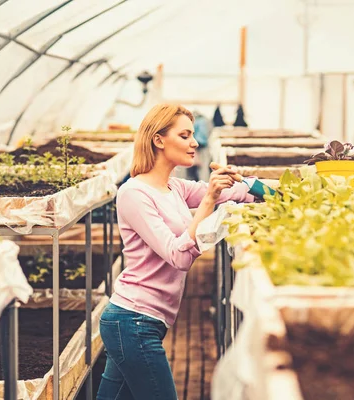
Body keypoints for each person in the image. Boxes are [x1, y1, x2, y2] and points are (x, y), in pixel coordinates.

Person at [97, 104, 255, 400]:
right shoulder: (134, 193)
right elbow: (179, 257)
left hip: (143, 323)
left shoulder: (174, 187)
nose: (195, 142)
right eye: (184, 135)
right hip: (133, 321)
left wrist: (265, 188)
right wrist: (207, 203)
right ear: (159, 140)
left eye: (192, 135)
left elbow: (232, 193)